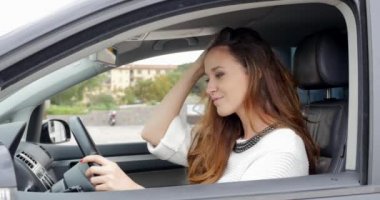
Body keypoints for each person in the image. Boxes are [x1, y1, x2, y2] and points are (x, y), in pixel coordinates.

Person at [81, 27, 319, 191]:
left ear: (254, 73)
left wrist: (131, 190)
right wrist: (197, 67)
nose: (209, 89)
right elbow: (154, 133)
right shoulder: (230, 139)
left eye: (220, 74)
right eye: (207, 78)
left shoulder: (282, 148)